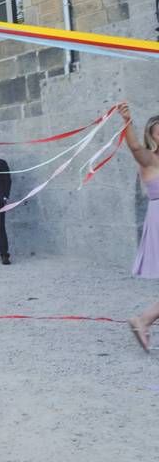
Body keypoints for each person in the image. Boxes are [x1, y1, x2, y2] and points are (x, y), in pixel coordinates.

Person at [118, 102, 159, 352]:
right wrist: (127, 122)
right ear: (151, 134)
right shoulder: (148, 158)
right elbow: (133, 146)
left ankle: (143, 320)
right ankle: (143, 320)